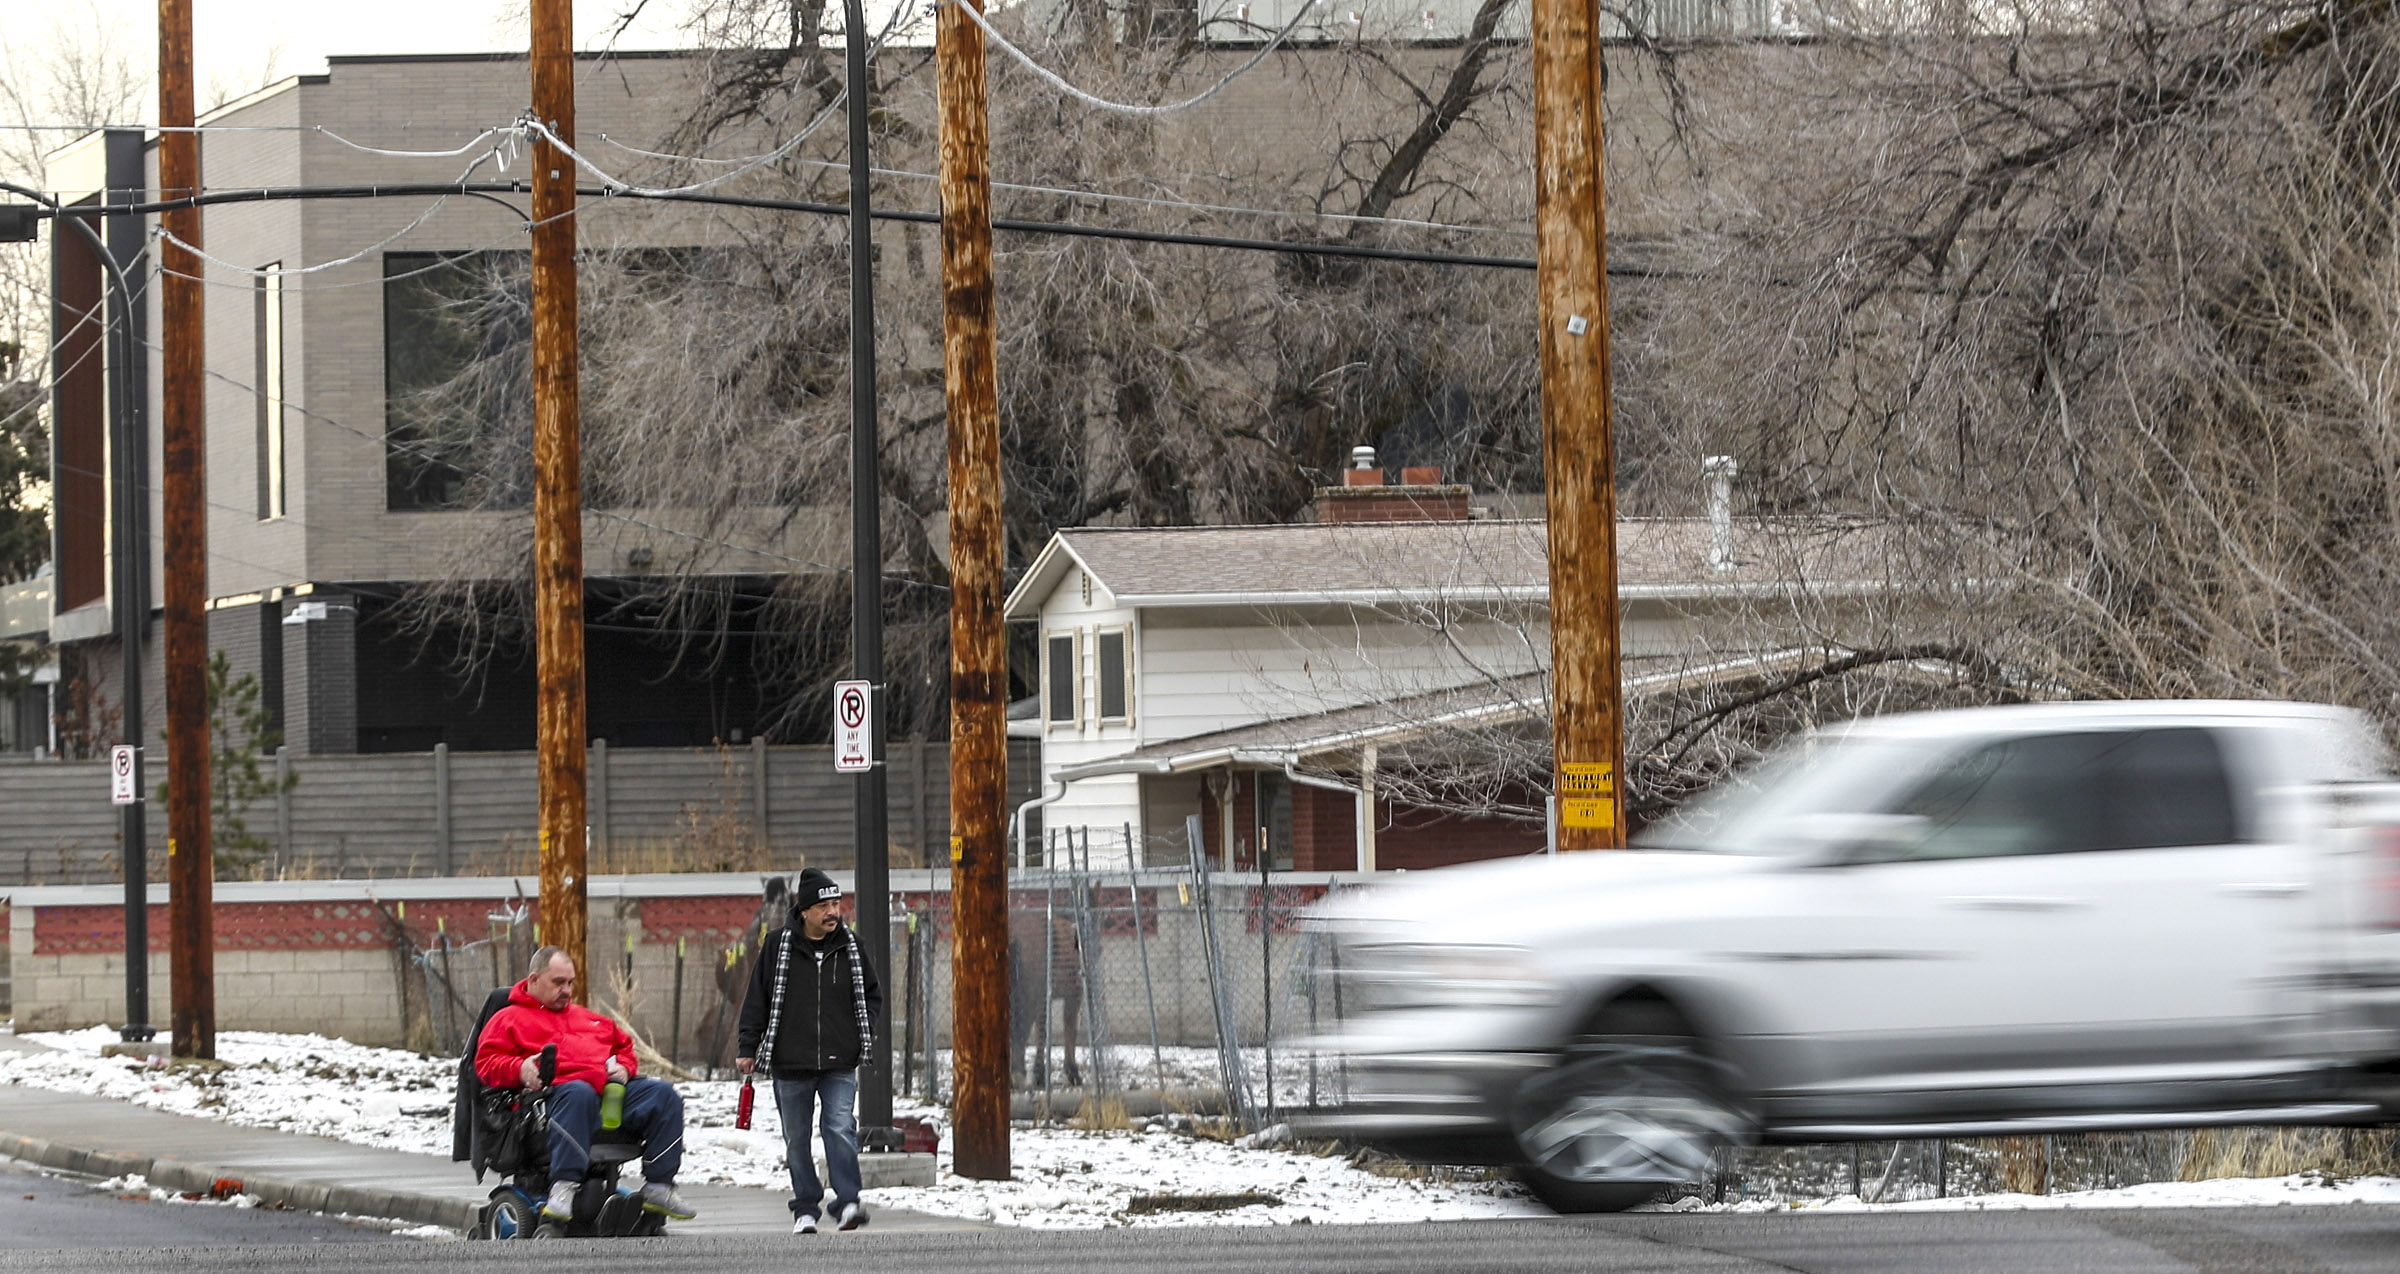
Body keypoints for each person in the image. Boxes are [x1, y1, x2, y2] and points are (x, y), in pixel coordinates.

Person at [473, 946, 696, 1227]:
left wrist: (625, 1067)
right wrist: (519, 1069)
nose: (566, 990)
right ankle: (564, 1186)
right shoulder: (506, 1019)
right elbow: (485, 1064)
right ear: (533, 980)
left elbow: (625, 1046)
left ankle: (659, 1187)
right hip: (546, 1105)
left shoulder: (588, 1018)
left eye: (570, 983)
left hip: (603, 1098)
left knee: (663, 1095)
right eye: (558, 982)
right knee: (578, 1092)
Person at [738, 867, 884, 1235]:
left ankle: (848, 1202)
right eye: (824, 906)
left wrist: (858, 1033)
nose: (833, 911)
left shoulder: (853, 947)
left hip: (839, 1060)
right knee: (796, 1139)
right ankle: (805, 1208)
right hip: (790, 1061)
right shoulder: (776, 946)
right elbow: (757, 999)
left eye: (836, 903)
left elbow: (872, 996)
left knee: (839, 1127)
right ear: (804, 910)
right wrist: (747, 1046)